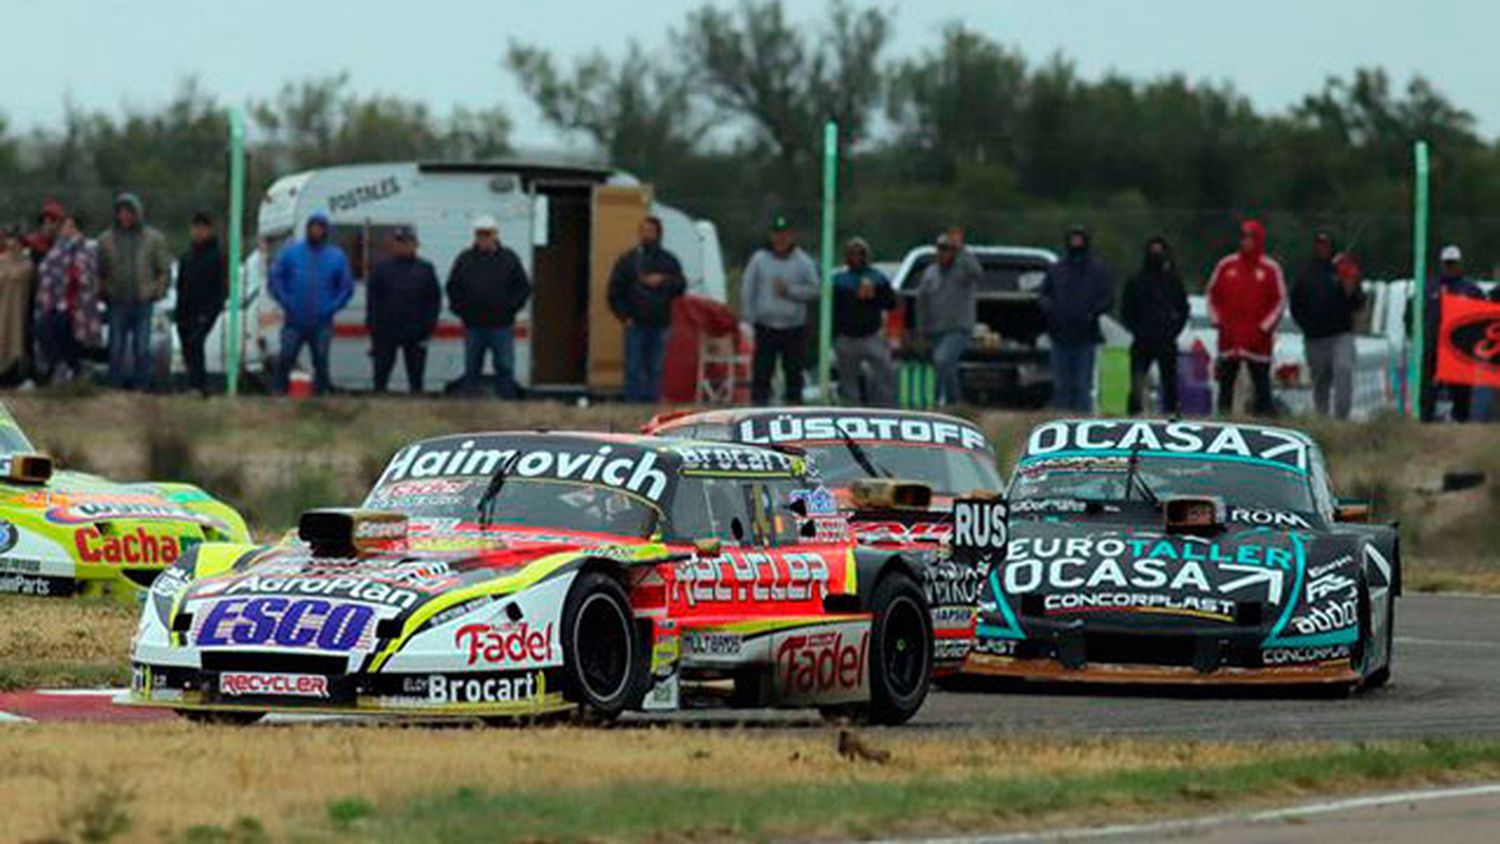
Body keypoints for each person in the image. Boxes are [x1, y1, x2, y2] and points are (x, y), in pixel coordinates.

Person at [269, 211, 355, 395]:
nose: (316, 231)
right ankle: (279, 390)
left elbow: (346, 287)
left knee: (321, 358)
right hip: (294, 318)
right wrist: (285, 300)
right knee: (286, 355)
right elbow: (275, 278)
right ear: (308, 229)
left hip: (322, 320)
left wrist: (332, 307)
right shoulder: (291, 252)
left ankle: (321, 393)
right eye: (313, 227)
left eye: (320, 228)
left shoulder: (336, 256)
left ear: (325, 231)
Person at [1206, 220, 1286, 416]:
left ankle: (1265, 424)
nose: (1246, 242)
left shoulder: (1270, 269)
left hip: (1258, 342)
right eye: (1243, 237)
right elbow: (1211, 295)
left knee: (1261, 387)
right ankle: (1222, 421)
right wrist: (1219, 322)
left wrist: (1263, 328)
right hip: (1229, 339)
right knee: (1226, 385)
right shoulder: (1226, 265)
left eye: (1251, 237)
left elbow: (1280, 300)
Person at [446, 215, 531, 398]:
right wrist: (462, 311)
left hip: (501, 325)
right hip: (473, 325)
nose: (484, 238)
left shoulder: (509, 258)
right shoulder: (464, 259)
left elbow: (523, 288)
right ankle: (470, 407)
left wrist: (510, 309)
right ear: (475, 236)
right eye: (480, 234)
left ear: (495, 234)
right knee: (471, 367)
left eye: (487, 234)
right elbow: (453, 287)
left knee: (505, 366)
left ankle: (507, 404)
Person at [740, 215, 819, 406]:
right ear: (771, 236)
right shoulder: (759, 260)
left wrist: (790, 291)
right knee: (762, 372)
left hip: (794, 328)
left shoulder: (803, 261)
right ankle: (758, 411)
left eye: (785, 234)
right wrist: (749, 320)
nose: (780, 239)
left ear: (792, 236)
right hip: (765, 327)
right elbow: (747, 289)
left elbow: (815, 290)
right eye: (777, 234)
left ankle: (795, 411)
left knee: (794, 372)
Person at [97, 192, 172, 390]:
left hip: (143, 302)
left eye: (129, 212)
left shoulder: (153, 239)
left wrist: (156, 291)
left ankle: (142, 387)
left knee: (142, 348)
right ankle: (114, 387)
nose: (125, 216)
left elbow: (164, 269)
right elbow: (99, 270)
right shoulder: (105, 240)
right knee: (115, 348)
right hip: (117, 301)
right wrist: (104, 290)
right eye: (121, 212)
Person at [607, 215, 686, 403]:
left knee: (655, 367)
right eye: (643, 230)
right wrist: (623, 316)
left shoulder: (669, 261)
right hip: (635, 322)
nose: (646, 234)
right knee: (633, 367)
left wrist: (663, 281)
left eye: (650, 231)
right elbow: (614, 290)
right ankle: (631, 403)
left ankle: (651, 403)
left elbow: (680, 287)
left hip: (660, 322)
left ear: (658, 234)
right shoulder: (628, 260)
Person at [1039, 226, 1115, 413]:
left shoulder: (1098, 270)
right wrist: (1053, 311)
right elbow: (1043, 295)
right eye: (1073, 240)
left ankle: (1082, 420)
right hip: (1060, 333)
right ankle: (1061, 421)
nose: (1076, 244)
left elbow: (1108, 297)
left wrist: (1092, 313)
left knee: (1083, 385)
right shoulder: (1057, 270)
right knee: (1061, 384)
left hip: (1086, 335)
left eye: (1079, 240)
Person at [1290, 232, 1365, 419]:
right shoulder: (1305, 274)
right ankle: (1322, 418)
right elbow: (1295, 304)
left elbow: (1358, 303)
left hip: (1341, 335)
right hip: (1314, 338)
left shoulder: (1343, 270)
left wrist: (1351, 287)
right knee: (1320, 381)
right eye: (1319, 245)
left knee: (1343, 369)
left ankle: (1341, 417)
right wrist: (1306, 326)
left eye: (1326, 245)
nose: (1322, 249)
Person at [1410, 245, 1485, 422]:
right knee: (1428, 388)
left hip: (1458, 349)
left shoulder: (1471, 289)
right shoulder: (1429, 287)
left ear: (1460, 264)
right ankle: (1424, 421)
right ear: (1442, 264)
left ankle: (1462, 422)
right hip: (1433, 346)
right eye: (1447, 264)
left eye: (1454, 263)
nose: (1451, 267)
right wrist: (1415, 332)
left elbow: (1483, 317)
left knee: (1461, 391)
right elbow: (1412, 312)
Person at [367, 226, 441, 394]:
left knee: (416, 380)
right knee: (380, 379)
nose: (404, 246)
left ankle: (417, 412)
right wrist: (373, 328)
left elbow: (434, 300)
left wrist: (428, 327)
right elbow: (373, 302)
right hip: (386, 332)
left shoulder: (426, 268)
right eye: (400, 242)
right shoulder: (381, 268)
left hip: (416, 333)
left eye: (408, 242)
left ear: (416, 245)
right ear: (394, 245)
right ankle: (376, 409)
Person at [1120, 236, 1189, 415]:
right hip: (1142, 341)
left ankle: (1172, 415)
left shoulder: (1173, 281)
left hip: (1166, 340)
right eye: (1153, 251)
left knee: (1170, 383)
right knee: (1137, 381)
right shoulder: (1136, 281)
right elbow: (1126, 310)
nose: (1156, 255)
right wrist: (1137, 330)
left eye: (1159, 251)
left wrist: (1174, 331)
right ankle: (1134, 414)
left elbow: (1183, 308)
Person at [35, 214, 103, 383]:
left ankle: (74, 371)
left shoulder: (88, 250)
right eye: (66, 226)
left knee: (74, 340)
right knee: (49, 334)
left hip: (79, 305)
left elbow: (90, 276)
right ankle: (57, 370)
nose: (68, 230)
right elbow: (46, 272)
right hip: (56, 304)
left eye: (72, 227)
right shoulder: (56, 250)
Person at [916, 232, 980, 407]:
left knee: (942, 360)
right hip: (935, 329)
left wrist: (963, 251)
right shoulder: (930, 273)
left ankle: (944, 399)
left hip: (958, 328)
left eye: (948, 249)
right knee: (945, 365)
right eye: (941, 249)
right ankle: (946, 400)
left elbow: (977, 272)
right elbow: (922, 302)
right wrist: (921, 329)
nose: (943, 253)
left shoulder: (963, 270)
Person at [831, 236, 897, 406]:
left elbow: (891, 303)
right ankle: (850, 411)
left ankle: (885, 409)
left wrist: (873, 296)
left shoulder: (877, 278)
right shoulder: (839, 280)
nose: (856, 258)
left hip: (871, 335)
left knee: (885, 373)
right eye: (852, 254)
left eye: (860, 254)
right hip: (846, 337)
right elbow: (832, 309)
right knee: (848, 381)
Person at [174, 212, 227, 396]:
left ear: (209, 230)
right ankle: (192, 384)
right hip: (185, 311)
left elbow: (221, 287)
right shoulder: (186, 257)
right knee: (187, 346)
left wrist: (212, 310)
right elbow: (180, 285)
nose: (198, 232)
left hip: (206, 310)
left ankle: (199, 385)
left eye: (202, 228)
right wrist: (178, 311)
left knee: (197, 343)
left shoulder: (217, 256)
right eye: (195, 228)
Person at [0, 227, 35, 384]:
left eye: (15, 240)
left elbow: (20, 276)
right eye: (9, 239)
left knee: (16, 344)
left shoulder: (27, 265)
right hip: (2, 310)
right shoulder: (1, 261)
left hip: (18, 313)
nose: (11, 243)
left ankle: (13, 376)